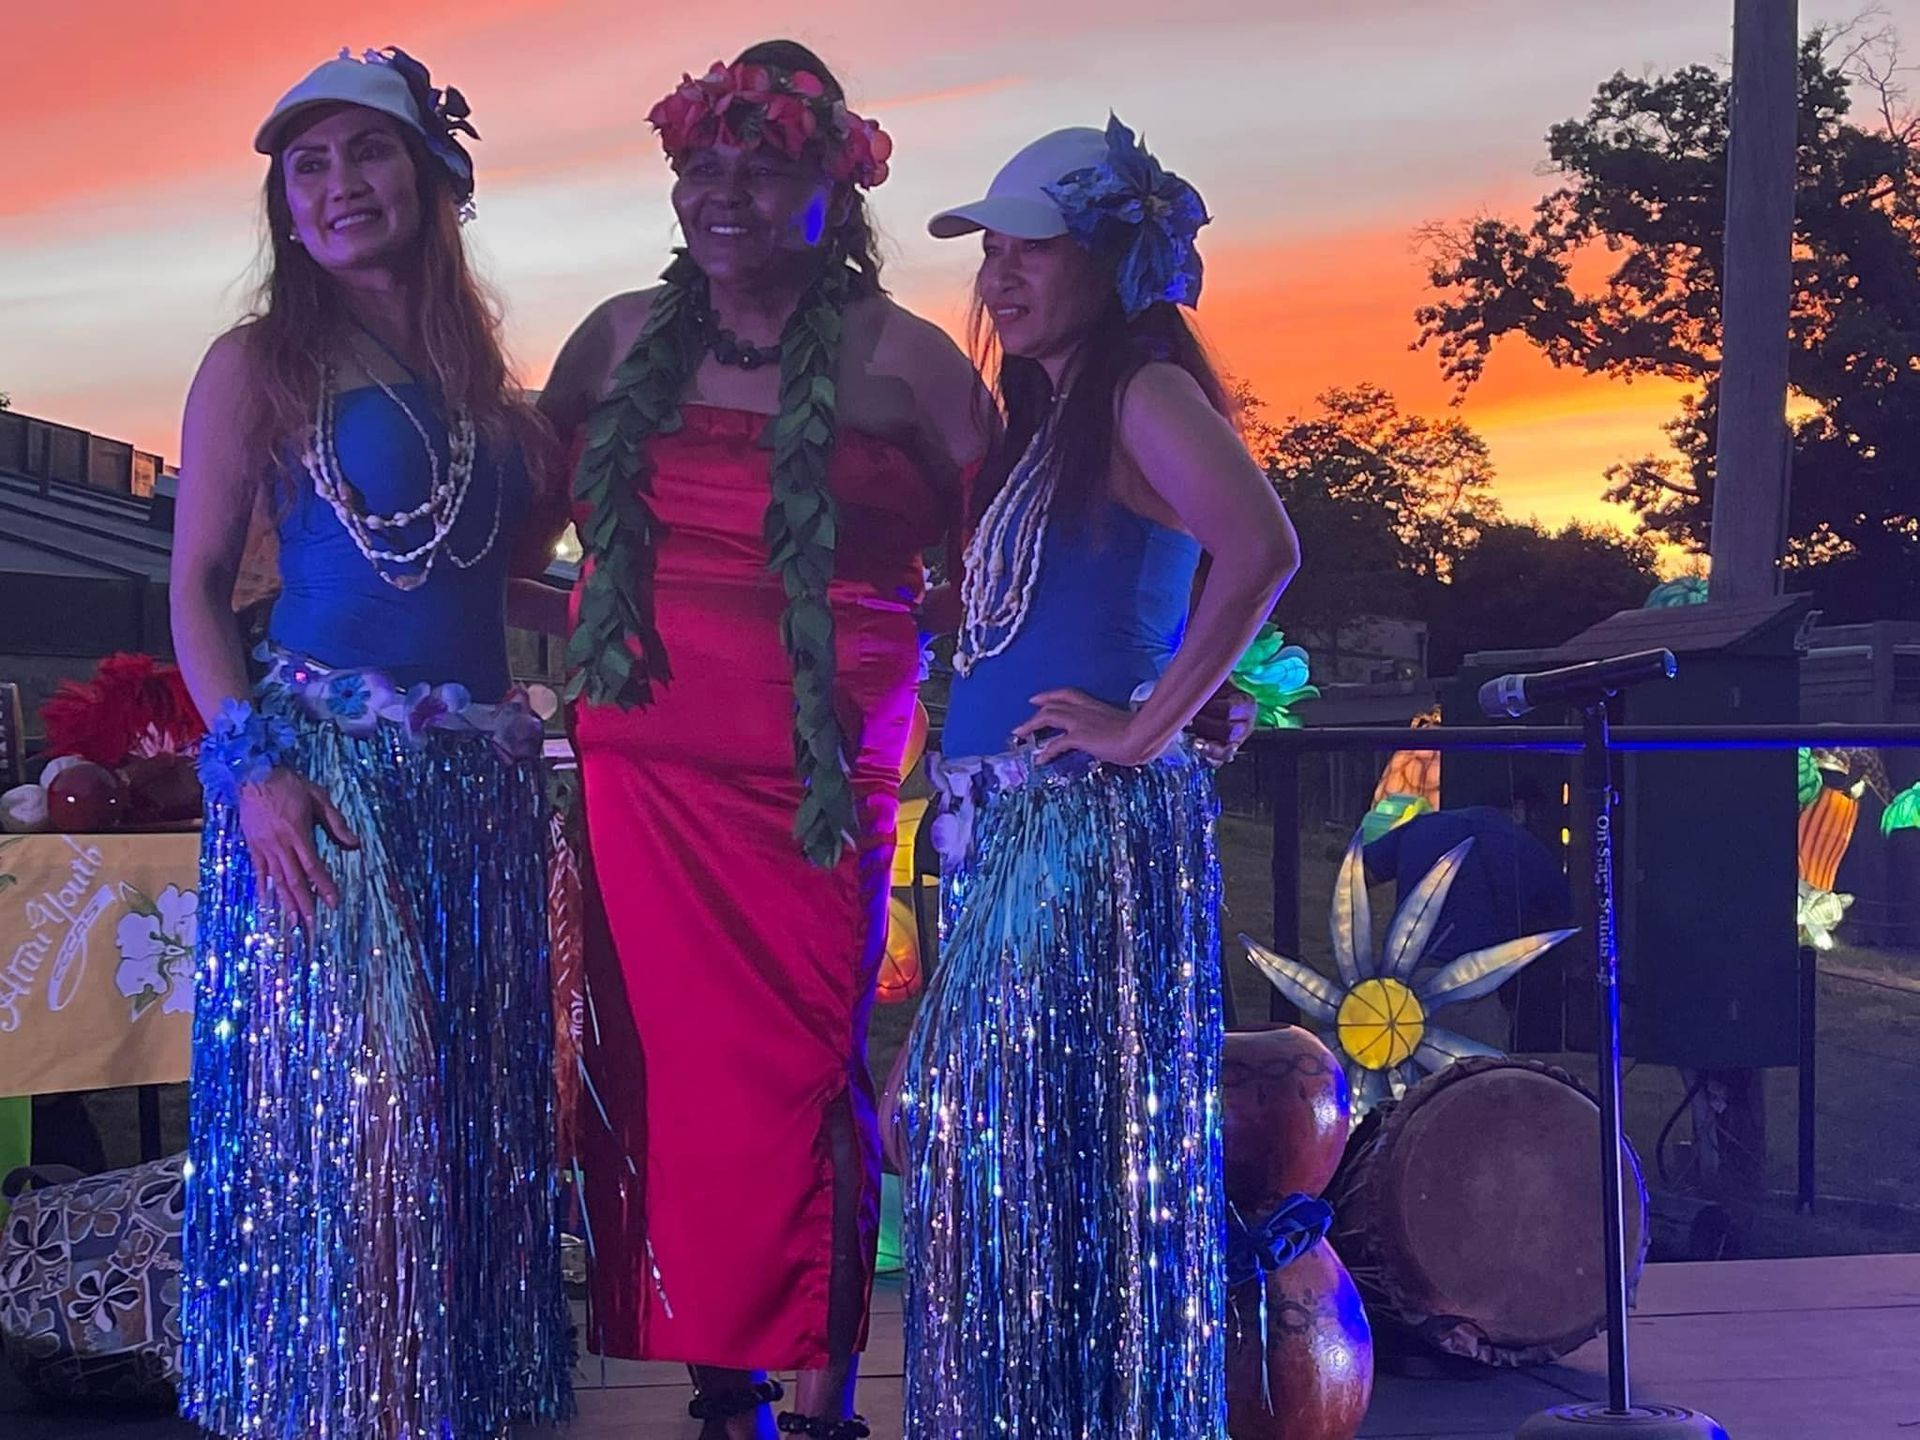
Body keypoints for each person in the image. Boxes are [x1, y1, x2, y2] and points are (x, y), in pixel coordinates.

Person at [532, 41, 989, 1440]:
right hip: (641, 768)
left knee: (807, 1068)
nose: (722, 193)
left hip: (816, 782)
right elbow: (518, 520)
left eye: (765, 165)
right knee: (665, 1074)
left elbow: (1011, 560)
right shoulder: (615, 338)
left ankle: (826, 1393)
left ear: (834, 188)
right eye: (701, 166)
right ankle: (717, 1384)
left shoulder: (905, 359)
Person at [169, 48, 573, 1439]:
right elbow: (198, 587)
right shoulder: (257, 364)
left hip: (476, 795)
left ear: (432, 173)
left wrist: (653, 616)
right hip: (328, 789)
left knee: (469, 1119)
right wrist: (253, 770)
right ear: (284, 198)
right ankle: (343, 1407)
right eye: (308, 165)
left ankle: (449, 1405)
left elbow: (477, 575)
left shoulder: (478, 376)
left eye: (369, 154)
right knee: (362, 1123)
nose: (338, 187)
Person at [900, 119, 1300, 1437]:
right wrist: (1184, 695)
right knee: (1011, 1151)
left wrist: (1147, 727)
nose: (1000, 276)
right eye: (992, 253)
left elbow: (1258, 547)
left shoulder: (1139, 391)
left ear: (1115, 262)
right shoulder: (1060, 412)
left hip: (1077, 833)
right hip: (1015, 837)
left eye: (1034, 250)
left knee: (1036, 1147)